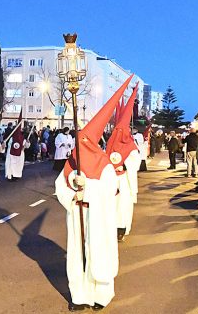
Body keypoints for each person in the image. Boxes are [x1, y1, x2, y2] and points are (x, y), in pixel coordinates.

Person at [56, 75, 131, 312]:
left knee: (98, 253)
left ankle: (101, 294)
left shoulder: (105, 165)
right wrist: (73, 196)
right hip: (77, 214)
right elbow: (60, 185)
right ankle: (79, 295)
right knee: (78, 256)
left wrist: (86, 187)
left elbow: (110, 190)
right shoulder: (72, 161)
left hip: (98, 216)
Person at [106, 84, 141, 241]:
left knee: (123, 206)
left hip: (124, 181)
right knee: (111, 206)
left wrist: (124, 165)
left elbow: (135, 161)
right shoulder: (110, 143)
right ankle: (110, 227)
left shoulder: (131, 146)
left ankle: (122, 229)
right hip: (111, 180)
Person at [5, 111, 29, 181]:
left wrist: (27, 143)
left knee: (17, 166)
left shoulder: (22, 139)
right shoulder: (12, 138)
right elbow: (9, 145)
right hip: (11, 154)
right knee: (11, 165)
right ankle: (11, 176)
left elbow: (26, 146)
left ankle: (16, 176)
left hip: (19, 155)